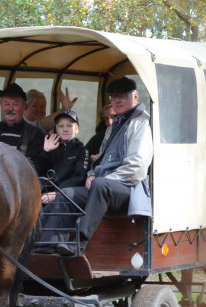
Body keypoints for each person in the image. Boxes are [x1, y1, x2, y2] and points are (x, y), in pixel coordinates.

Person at [44, 77, 153, 257]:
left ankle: (79, 243)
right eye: (113, 97)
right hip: (102, 186)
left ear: (135, 97)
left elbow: (137, 168)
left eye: (122, 96)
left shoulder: (140, 123)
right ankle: (48, 248)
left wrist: (101, 179)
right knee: (67, 194)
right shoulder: (114, 125)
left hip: (128, 189)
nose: (117, 101)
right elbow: (101, 159)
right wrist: (92, 173)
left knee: (100, 185)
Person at [0, 82, 45, 168]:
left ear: (24, 107)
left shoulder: (35, 135)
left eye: (15, 104)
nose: (10, 108)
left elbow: (34, 168)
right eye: (6, 104)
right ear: (1, 106)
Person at [36, 109, 90, 205]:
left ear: (77, 129)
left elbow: (78, 178)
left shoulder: (82, 151)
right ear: (56, 129)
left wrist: (57, 192)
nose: (65, 129)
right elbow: (39, 171)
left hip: (66, 198)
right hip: (45, 194)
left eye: (69, 126)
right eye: (61, 126)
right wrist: (45, 152)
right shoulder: (52, 147)